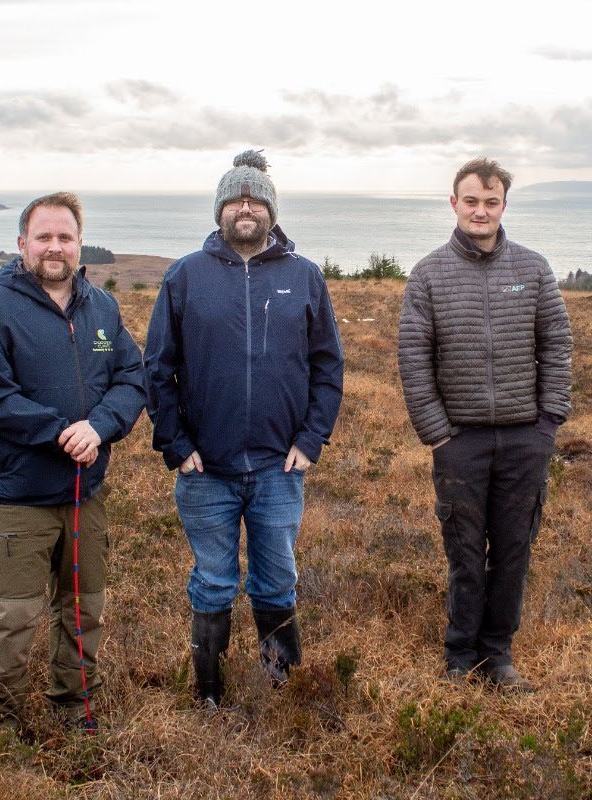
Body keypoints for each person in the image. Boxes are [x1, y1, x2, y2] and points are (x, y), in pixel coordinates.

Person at [144, 150, 344, 708]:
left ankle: (282, 690)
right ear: (220, 211)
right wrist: (177, 446)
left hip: (280, 468)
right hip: (205, 469)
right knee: (212, 581)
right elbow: (156, 368)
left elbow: (328, 366)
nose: (246, 207)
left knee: (276, 580)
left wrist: (310, 441)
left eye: (256, 198)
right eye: (235, 198)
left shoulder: (304, 277)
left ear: (271, 209)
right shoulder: (186, 276)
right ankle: (210, 692)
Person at [0, 191, 145, 728]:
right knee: (10, 623)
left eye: (65, 237)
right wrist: (62, 433)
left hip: (87, 498)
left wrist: (102, 426)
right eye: (44, 237)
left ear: (80, 243)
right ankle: (1, 728)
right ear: (22, 244)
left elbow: (133, 378)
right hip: (16, 499)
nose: (55, 247)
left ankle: (75, 711)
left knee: (83, 614)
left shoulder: (102, 307)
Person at [397, 158, 572, 692]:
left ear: (503, 205)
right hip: (460, 442)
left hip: (525, 439)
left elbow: (557, 346)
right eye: (471, 201)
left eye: (490, 202)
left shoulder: (534, 270)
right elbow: (413, 356)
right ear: (454, 204)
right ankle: (459, 654)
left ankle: (497, 656)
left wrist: (548, 422)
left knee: (514, 551)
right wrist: (438, 433)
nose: (480, 211)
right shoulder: (428, 274)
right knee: (466, 553)